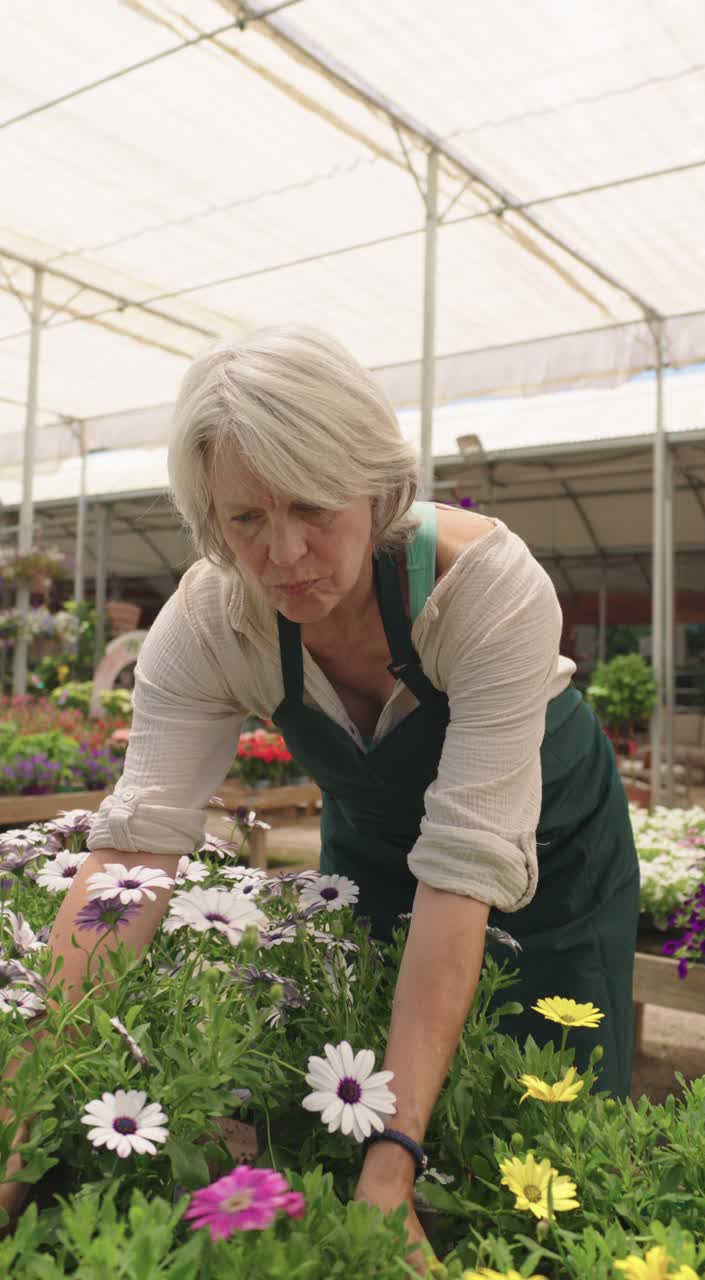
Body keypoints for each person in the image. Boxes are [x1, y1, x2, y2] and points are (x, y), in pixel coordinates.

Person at [2, 326, 639, 1257]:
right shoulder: (210, 623)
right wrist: (21, 1117)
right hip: (374, 848)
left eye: (311, 505)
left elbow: (463, 872)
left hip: (550, 846)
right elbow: (134, 855)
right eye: (246, 519)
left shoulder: (485, 591)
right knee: (348, 1053)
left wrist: (395, 1158)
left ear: (376, 486)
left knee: (545, 1106)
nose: (285, 554)